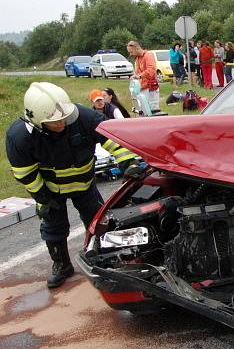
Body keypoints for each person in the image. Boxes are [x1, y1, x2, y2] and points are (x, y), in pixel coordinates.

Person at [5, 82, 141, 288]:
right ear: (37, 121)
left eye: (64, 118)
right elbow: (25, 174)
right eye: (55, 122)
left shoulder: (84, 117)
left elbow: (114, 138)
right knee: (53, 227)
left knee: (98, 222)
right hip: (51, 191)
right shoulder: (20, 137)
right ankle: (62, 265)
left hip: (85, 185)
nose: (62, 124)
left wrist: (128, 163)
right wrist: (42, 198)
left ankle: (104, 259)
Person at [127, 41, 159, 110]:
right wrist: (134, 76)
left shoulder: (148, 55)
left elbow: (151, 69)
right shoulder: (138, 59)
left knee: (152, 111)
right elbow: (137, 73)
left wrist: (139, 76)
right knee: (143, 110)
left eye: (131, 52)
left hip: (151, 88)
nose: (130, 54)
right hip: (143, 88)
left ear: (137, 48)